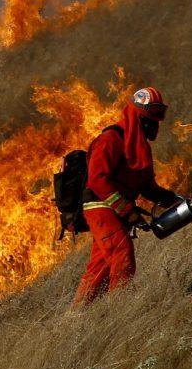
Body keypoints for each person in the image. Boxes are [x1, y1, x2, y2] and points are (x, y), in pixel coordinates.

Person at [74, 86, 180, 304]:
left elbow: (147, 187)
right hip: (100, 206)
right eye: (150, 119)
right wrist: (127, 211)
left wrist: (175, 200)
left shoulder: (141, 148)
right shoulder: (111, 139)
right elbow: (97, 180)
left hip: (118, 210)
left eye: (157, 118)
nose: (154, 125)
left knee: (101, 264)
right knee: (121, 253)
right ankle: (119, 310)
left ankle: (77, 316)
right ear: (137, 116)